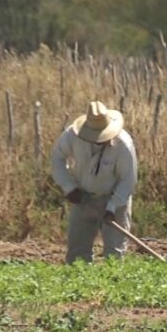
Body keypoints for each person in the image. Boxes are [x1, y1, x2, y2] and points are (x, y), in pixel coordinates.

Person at [50, 101, 138, 264]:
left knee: (114, 256)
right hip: (82, 198)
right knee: (77, 255)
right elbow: (57, 158)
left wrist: (111, 207)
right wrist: (69, 188)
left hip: (116, 200)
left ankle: (114, 287)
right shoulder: (72, 136)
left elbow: (128, 180)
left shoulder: (123, 144)